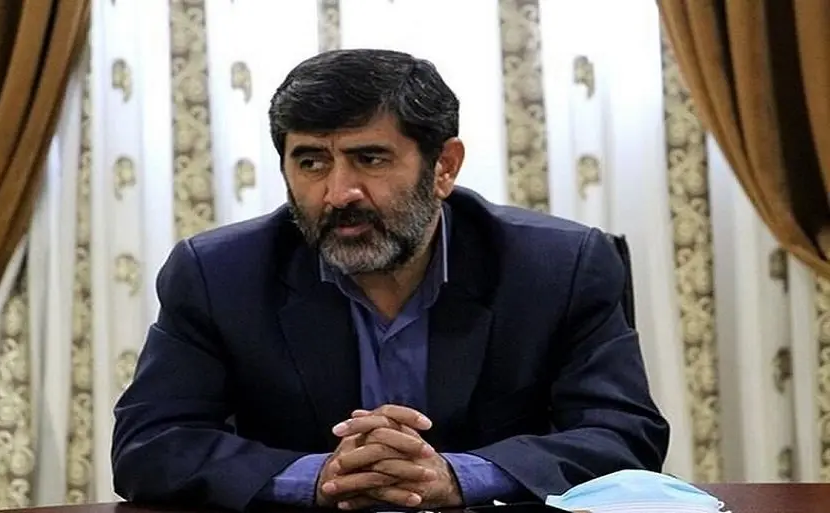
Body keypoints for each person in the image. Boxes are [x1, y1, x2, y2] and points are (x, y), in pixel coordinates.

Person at [111, 49, 670, 512]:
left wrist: (457, 476)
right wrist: (318, 477)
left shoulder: (559, 266)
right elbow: (150, 444)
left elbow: (623, 435)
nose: (338, 193)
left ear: (444, 167)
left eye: (370, 159)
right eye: (311, 162)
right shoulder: (217, 273)